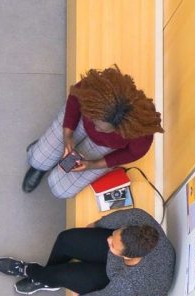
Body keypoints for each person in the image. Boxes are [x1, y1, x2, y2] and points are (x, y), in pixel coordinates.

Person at [23, 66, 163, 199]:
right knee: (37, 160)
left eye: (103, 129)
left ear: (123, 127)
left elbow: (132, 153)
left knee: (60, 190)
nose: (96, 129)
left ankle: (48, 154)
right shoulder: (97, 92)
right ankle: (42, 163)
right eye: (95, 121)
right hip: (79, 122)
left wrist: (93, 164)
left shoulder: (140, 130)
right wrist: (67, 135)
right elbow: (74, 100)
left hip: (105, 146)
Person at [0, 208, 175, 296]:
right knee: (66, 239)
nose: (108, 239)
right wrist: (97, 224)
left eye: (112, 244)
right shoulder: (140, 219)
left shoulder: (128, 282)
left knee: (66, 275)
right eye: (114, 235)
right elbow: (121, 218)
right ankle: (49, 278)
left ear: (128, 257)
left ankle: (32, 271)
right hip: (126, 263)